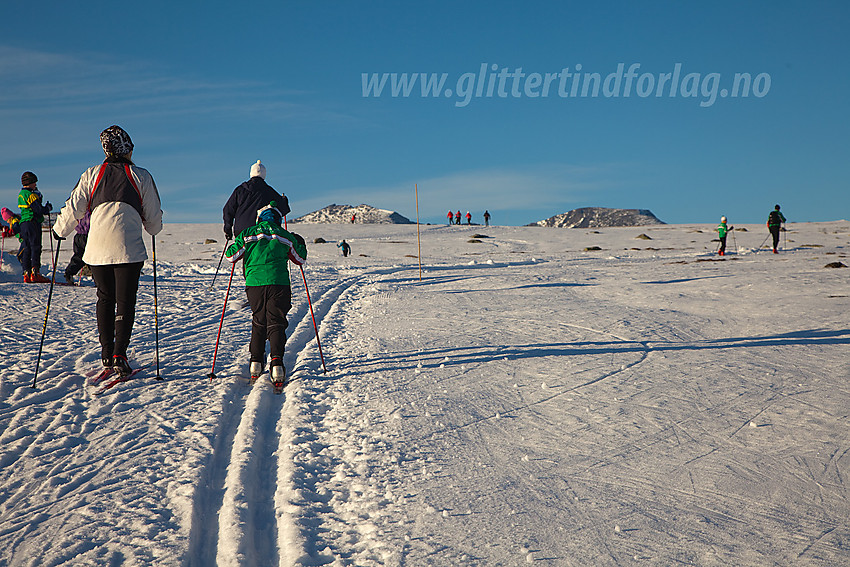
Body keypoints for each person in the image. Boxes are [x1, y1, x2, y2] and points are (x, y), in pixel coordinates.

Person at [53, 125, 163, 375]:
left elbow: (73, 207)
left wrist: (60, 230)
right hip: (129, 248)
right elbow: (154, 219)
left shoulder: (91, 174)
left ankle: (105, 353)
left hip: (97, 249)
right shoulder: (141, 176)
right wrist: (153, 227)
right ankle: (119, 354)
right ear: (127, 150)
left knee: (105, 298)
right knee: (125, 301)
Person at [225, 201, 307, 388]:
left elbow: (231, 256)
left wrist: (235, 241)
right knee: (276, 322)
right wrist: (300, 243)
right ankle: (277, 364)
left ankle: (255, 363)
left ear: (259, 218)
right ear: (278, 219)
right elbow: (300, 259)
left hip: (254, 285)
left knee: (259, 320)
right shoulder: (284, 235)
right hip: (279, 284)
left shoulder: (248, 233)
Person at [223, 160, 290, 241]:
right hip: (260, 231)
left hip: (240, 231)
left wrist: (228, 229)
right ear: (264, 174)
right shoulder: (268, 191)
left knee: (243, 252)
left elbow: (228, 209)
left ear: (251, 173)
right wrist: (284, 200)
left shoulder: (240, 190)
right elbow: (283, 209)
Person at [18, 171, 52, 283]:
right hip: (33, 223)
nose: (36, 185)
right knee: (35, 247)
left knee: (26, 248)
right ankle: (35, 273)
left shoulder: (21, 194)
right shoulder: (31, 195)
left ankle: (26, 273)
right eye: (34, 183)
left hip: (24, 223)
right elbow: (38, 210)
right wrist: (47, 208)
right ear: (30, 182)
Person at [63, 211, 90, 285]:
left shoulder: (79, 207)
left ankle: (69, 273)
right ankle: (98, 279)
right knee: (92, 258)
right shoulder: (93, 206)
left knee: (78, 256)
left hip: (78, 235)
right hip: (89, 235)